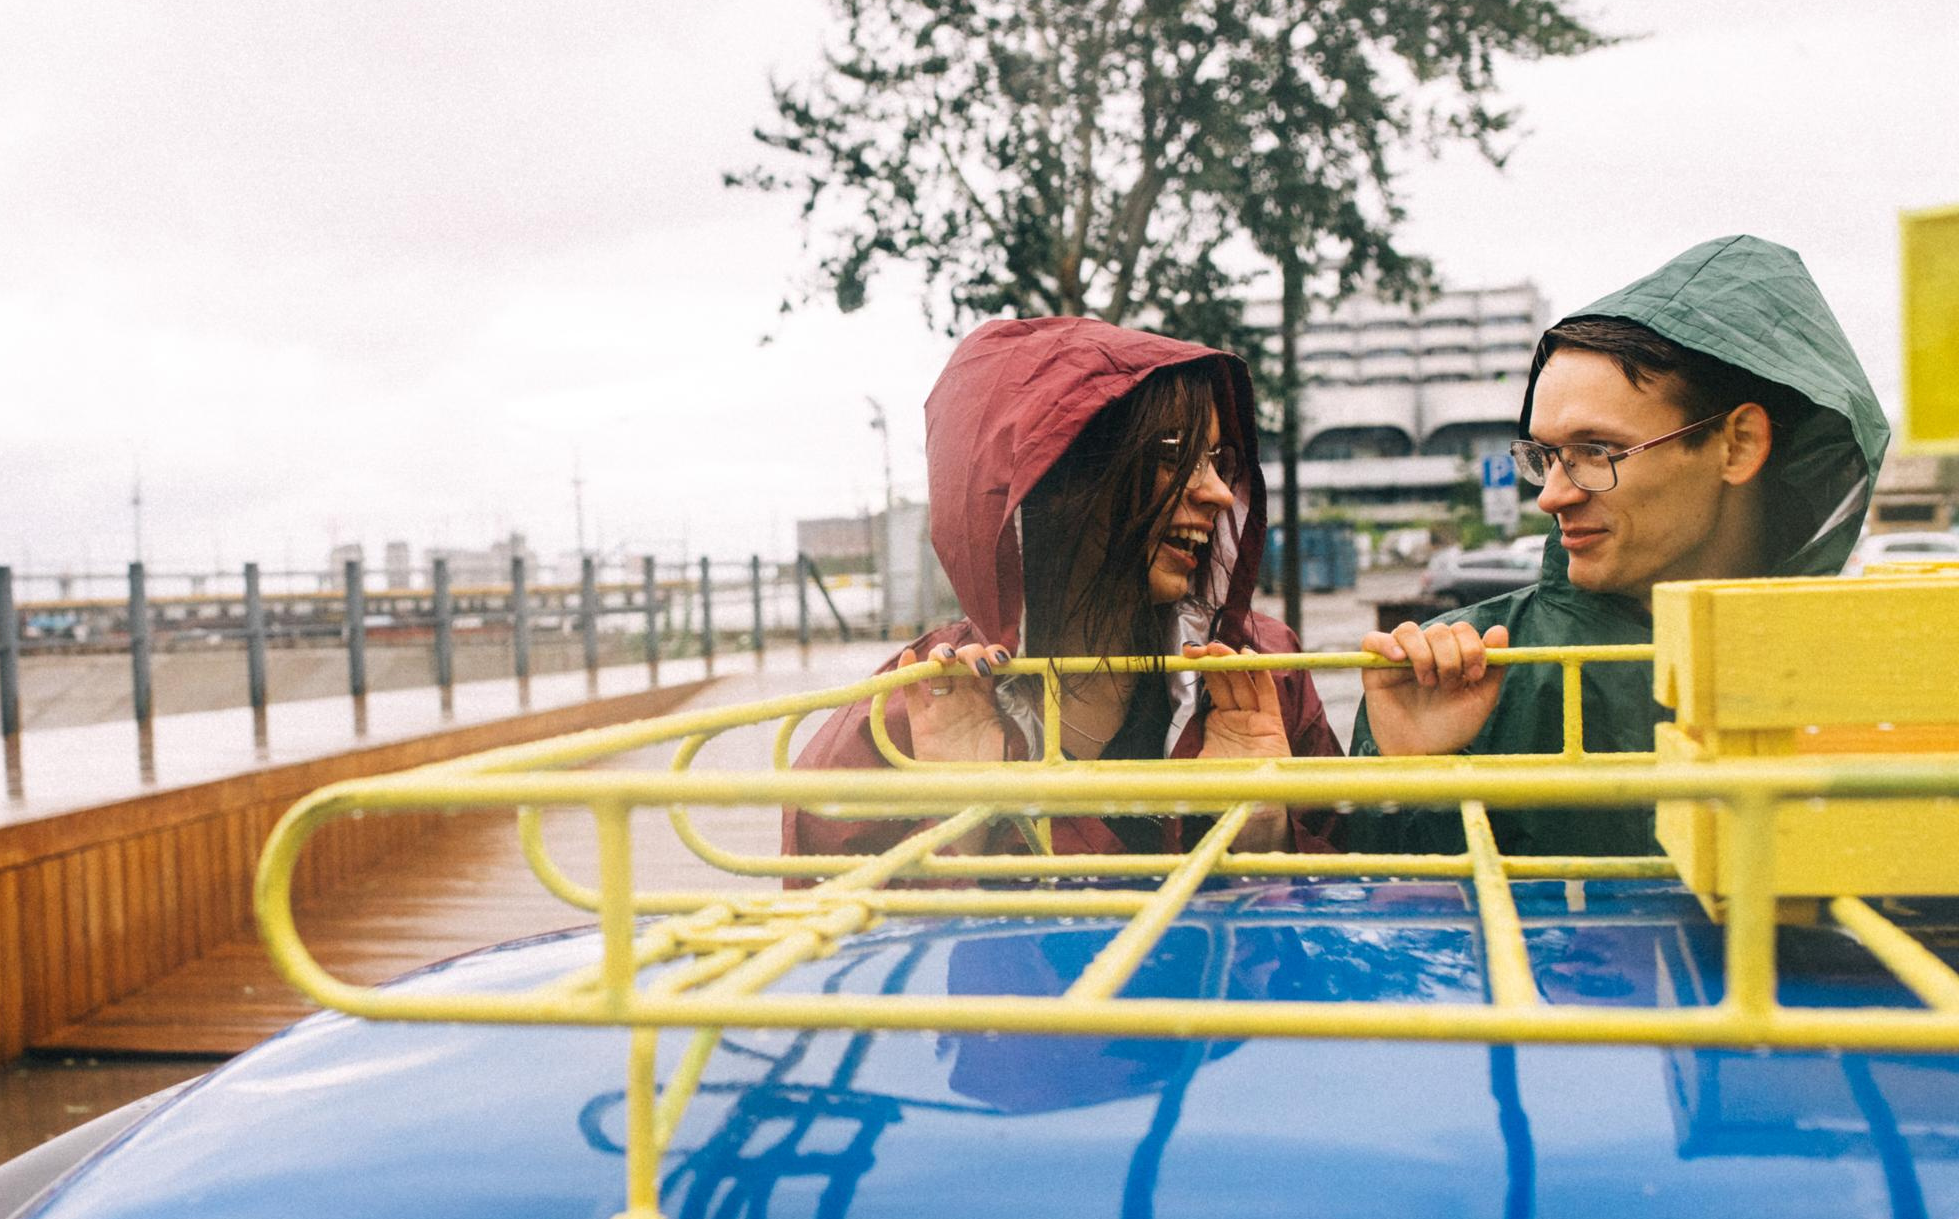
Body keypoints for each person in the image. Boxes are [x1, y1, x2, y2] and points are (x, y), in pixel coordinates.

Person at [1351, 235, 1889, 854]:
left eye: (1596, 452)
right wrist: (1406, 779)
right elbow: (1390, 922)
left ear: (1738, 445)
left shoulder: (1880, 668)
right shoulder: (1457, 667)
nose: (1551, 496)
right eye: (1545, 455)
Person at [784, 317, 1341, 868]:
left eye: (1220, 462)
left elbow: (1360, 913)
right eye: (1173, 452)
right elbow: (838, 943)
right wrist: (959, 833)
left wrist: (1267, 832)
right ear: (1052, 477)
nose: (1218, 493)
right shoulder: (905, 714)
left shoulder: (1259, 675)